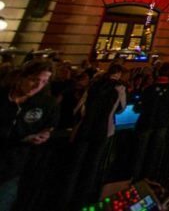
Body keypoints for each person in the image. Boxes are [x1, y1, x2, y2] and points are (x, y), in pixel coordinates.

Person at [63, 63, 127, 210]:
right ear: (119, 74)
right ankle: (84, 200)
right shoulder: (119, 88)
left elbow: (79, 107)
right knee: (92, 165)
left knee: (74, 165)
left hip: (84, 129)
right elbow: (121, 108)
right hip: (103, 130)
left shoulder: (94, 85)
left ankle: (66, 200)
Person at [0, 60, 58, 211]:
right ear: (21, 77)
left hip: (14, 166)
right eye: (34, 80)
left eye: (44, 81)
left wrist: (45, 134)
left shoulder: (46, 103)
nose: (38, 86)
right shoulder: (3, 97)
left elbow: (51, 125)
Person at [131, 62, 169, 181]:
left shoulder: (149, 88)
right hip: (161, 123)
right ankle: (149, 179)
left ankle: (135, 179)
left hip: (145, 122)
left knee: (139, 153)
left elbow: (137, 107)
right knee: (155, 152)